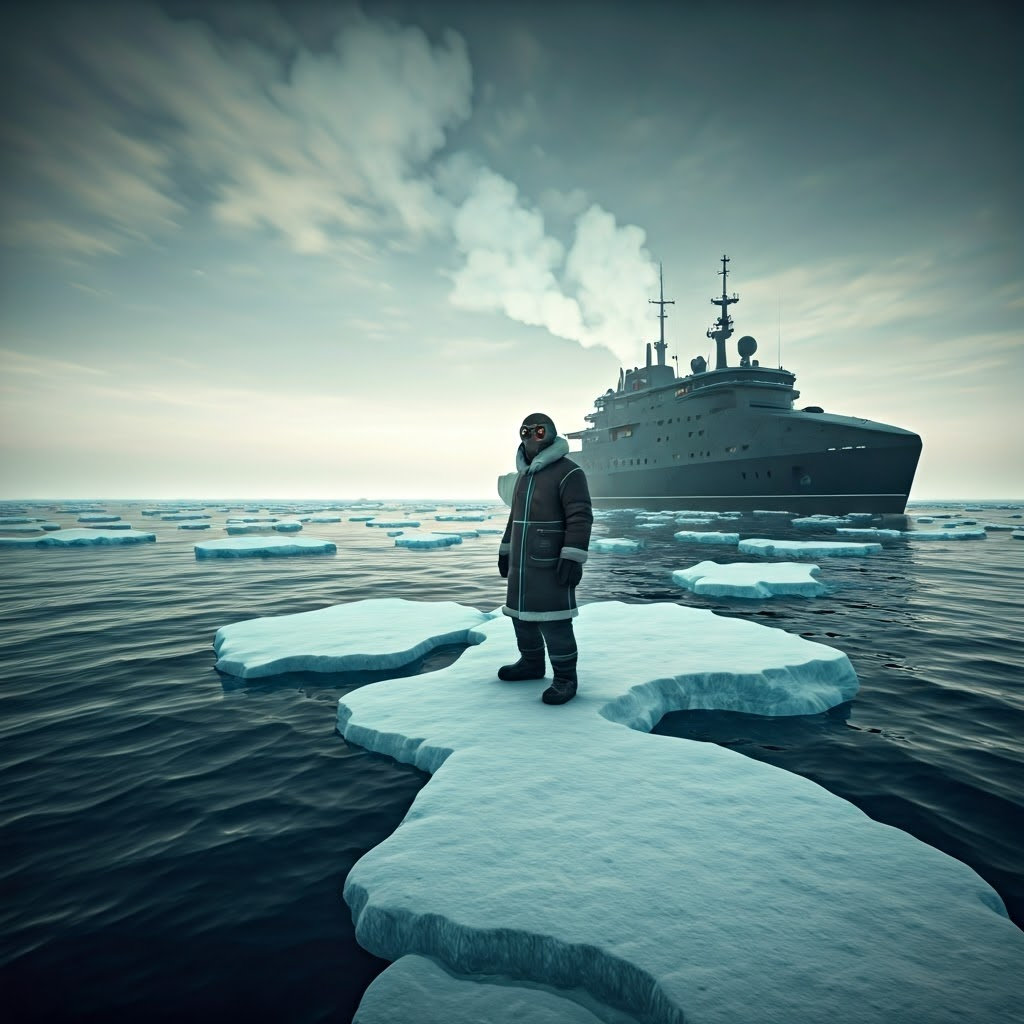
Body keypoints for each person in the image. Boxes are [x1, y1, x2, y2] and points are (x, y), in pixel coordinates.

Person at [497, 413, 593, 704]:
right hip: (522, 565)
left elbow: (580, 516)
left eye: (539, 431)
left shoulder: (569, 472)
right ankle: (531, 663)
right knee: (521, 618)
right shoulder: (524, 478)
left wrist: (573, 556)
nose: (531, 437)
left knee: (555, 622)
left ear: (550, 434)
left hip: (550, 563)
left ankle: (565, 678)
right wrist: (505, 550)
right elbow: (514, 519)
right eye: (526, 432)